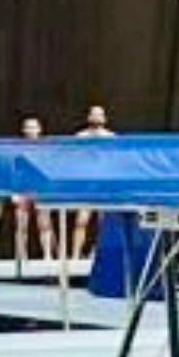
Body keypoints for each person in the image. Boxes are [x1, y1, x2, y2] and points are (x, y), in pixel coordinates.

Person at [70, 102, 115, 265]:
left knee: (103, 221)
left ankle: (97, 253)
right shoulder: (80, 137)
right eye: (93, 114)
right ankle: (75, 255)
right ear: (89, 117)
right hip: (86, 182)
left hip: (104, 182)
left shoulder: (111, 138)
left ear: (104, 118)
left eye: (100, 114)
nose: (96, 117)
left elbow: (116, 161)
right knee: (81, 219)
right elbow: (72, 159)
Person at [12, 114, 57, 274]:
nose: (31, 130)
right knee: (21, 224)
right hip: (23, 187)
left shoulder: (46, 149)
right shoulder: (17, 150)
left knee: (44, 223)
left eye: (34, 127)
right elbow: (14, 172)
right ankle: (22, 258)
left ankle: (47, 255)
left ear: (40, 130)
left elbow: (50, 170)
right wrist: (14, 192)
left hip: (40, 187)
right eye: (28, 127)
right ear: (24, 130)